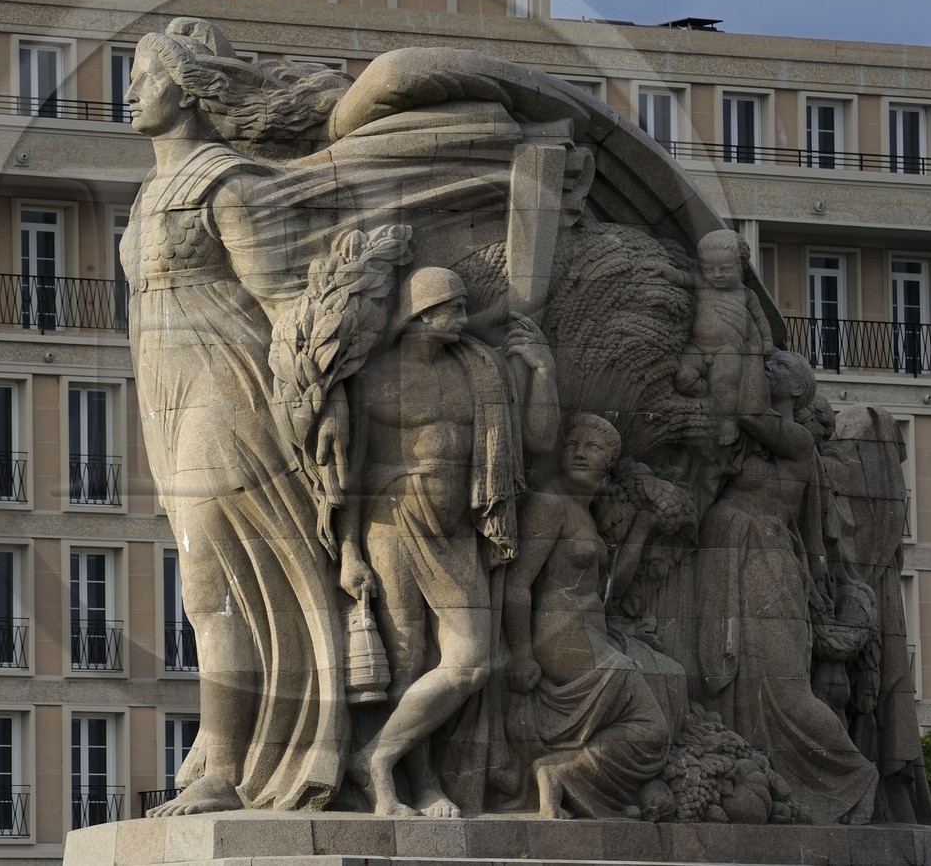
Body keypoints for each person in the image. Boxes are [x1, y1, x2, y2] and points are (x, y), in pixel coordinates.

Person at [122, 18, 354, 814]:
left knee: (212, 573)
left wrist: (319, 407)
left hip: (230, 384)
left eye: (147, 77)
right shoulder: (148, 194)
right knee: (200, 579)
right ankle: (225, 747)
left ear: (188, 92)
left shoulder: (229, 185)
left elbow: (288, 304)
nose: (131, 91)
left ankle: (225, 766)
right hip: (165, 389)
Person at [346, 266, 558, 817]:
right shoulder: (374, 377)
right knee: (408, 657)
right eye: (453, 309)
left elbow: (538, 442)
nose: (464, 319)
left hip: (458, 528)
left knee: (472, 662)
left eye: (465, 307)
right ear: (422, 313)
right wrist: (348, 553)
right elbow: (348, 472)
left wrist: (541, 371)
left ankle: (374, 756)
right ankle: (418, 784)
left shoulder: (478, 370)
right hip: (393, 519)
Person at [695, 351, 878, 824]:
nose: (766, 368)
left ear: (797, 389)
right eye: (766, 364)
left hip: (766, 554)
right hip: (723, 551)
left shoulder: (796, 439)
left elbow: (749, 411)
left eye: (777, 367)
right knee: (730, 675)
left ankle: (855, 775)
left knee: (785, 685)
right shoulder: (747, 442)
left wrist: (739, 347)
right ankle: (751, 772)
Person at [502, 414, 670, 819]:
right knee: (652, 728)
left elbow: (611, 589)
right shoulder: (549, 504)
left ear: (609, 462)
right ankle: (557, 775)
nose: (578, 453)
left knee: (657, 703)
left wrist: (643, 527)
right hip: (559, 636)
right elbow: (517, 583)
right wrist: (522, 653)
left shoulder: (586, 513)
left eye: (591, 447)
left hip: (590, 634)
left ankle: (569, 777)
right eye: (571, 444)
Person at [653, 229, 775, 446]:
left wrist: (766, 341)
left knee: (723, 384)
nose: (717, 275)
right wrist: (669, 272)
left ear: (741, 266)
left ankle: (727, 421)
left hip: (728, 350)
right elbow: (684, 278)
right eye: (709, 269)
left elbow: (761, 321)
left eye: (725, 269)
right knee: (683, 377)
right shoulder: (703, 284)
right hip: (697, 347)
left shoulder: (747, 295)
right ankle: (708, 399)